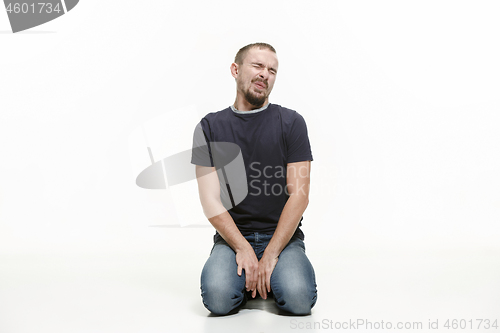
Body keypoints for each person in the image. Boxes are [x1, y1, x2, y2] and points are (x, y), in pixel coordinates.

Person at [191, 42, 317, 315]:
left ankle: (265, 275)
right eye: (257, 65)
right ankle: (253, 279)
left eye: (272, 70)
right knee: (219, 300)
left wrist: (271, 253)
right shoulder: (209, 126)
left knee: (298, 300)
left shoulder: (292, 123)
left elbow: (300, 195)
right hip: (232, 238)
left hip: (283, 238)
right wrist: (243, 248)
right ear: (236, 70)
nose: (265, 74)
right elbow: (210, 199)